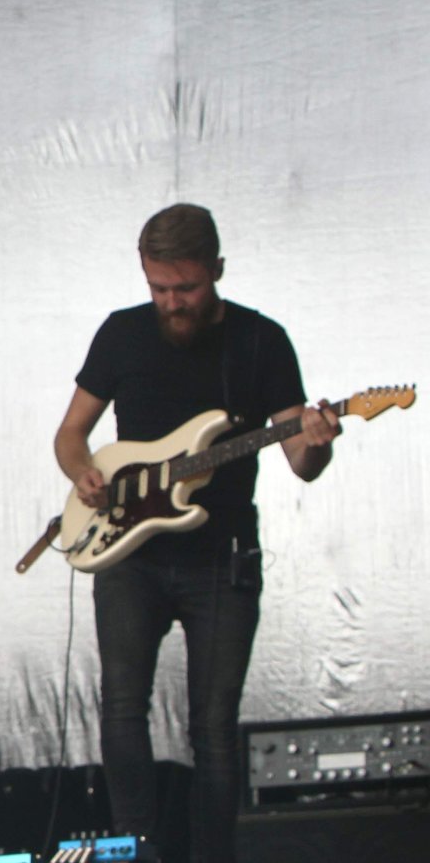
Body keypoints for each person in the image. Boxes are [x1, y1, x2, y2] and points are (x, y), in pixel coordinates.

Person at [51, 203, 340, 860]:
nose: (172, 302)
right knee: (122, 709)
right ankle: (136, 852)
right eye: (158, 288)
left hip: (222, 556)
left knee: (213, 728)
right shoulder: (122, 334)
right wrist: (81, 472)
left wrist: (318, 442)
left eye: (186, 288)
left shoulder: (261, 342)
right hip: (128, 552)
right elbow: (71, 432)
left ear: (218, 269)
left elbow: (300, 460)